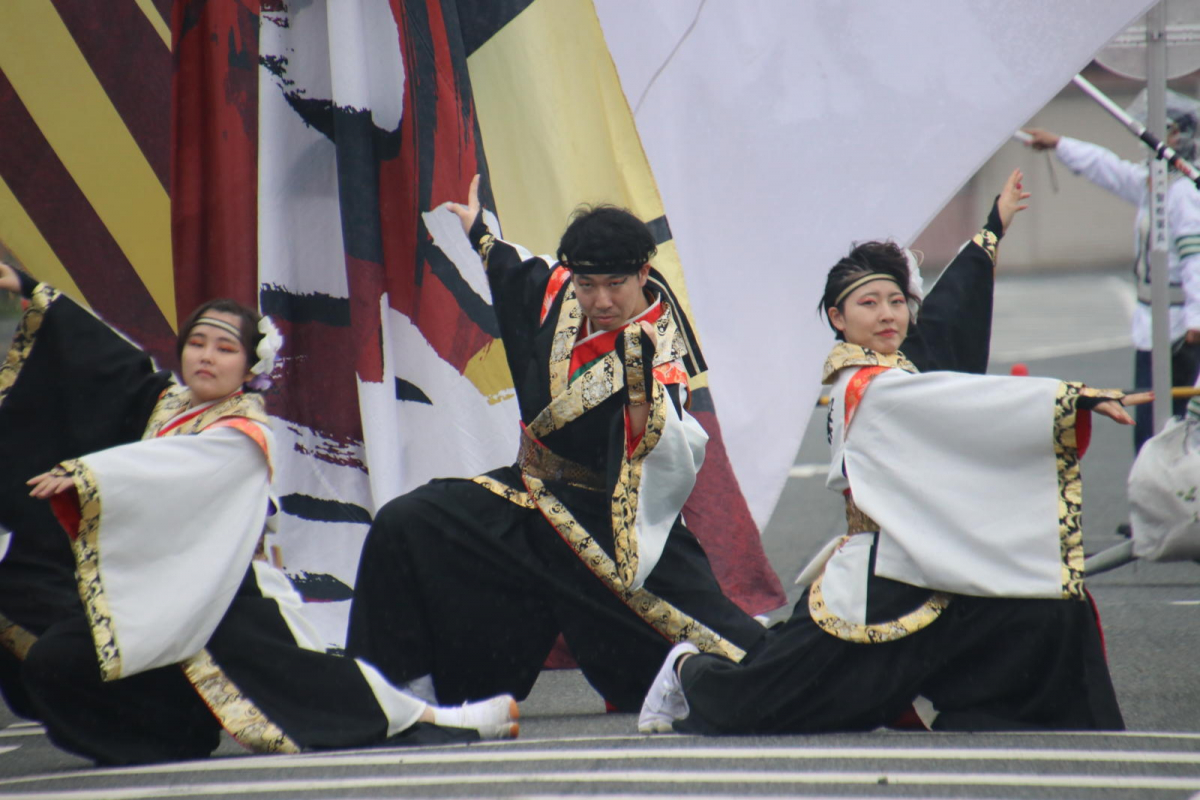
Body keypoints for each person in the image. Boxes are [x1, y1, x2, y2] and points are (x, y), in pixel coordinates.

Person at [638, 172, 1139, 735]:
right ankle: (688, 672)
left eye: (897, 301)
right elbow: (959, 400)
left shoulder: (898, 369)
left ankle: (1004, 713)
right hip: (883, 576)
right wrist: (1069, 399)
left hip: (934, 555)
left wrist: (993, 228)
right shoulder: (866, 386)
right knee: (764, 704)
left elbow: (950, 316)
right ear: (837, 318)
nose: (887, 314)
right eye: (868, 303)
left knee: (1044, 606)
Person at [0, 261, 518, 765]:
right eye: (198, 344)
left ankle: (451, 719)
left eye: (225, 349)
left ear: (250, 368)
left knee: (324, 698)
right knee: (54, 653)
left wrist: (92, 477)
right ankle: (168, 735)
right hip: (154, 589)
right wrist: (26, 285)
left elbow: (174, 466)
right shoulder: (166, 404)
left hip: (227, 597)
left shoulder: (244, 434)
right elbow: (102, 359)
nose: (206, 357)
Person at [345, 176, 770, 712]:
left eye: (615, 284)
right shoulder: (563, 293)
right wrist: (480, 231)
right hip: (530, 494)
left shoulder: (661, 353)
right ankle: (395, 688)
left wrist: (643, 412)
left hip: (609, 522)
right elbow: (519, 271)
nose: (600, 300)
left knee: (720, 655)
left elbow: (670, 444)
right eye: (588, 284)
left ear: (643, 271)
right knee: (406, 523)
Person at [1024, 89, 1200, 451]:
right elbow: (1108, 169)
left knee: (1175, 428)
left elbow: (1195, 257)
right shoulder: (1155, 183)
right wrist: (1059, 144)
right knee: (1152, 424)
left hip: (1183, 332)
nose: (1148, 139)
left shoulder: (1184, 192)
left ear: (1178, 137)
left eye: (1160, 130)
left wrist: (1198, 316)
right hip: (1155, 326)